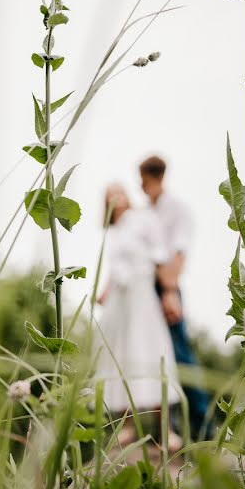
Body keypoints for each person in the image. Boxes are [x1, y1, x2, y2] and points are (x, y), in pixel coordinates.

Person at [95, 184, 184, 450]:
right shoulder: (113, 232)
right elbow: (115, 268)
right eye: (110, 194)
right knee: (121, 358)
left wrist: (169, 292)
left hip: (142, 296)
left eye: (120, 192)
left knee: (151, 353)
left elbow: (159, 257)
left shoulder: (144, 220)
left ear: (128, 197)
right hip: (119, 302)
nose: (117, 198)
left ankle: (165, 430)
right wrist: (105, 291)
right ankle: (128, 427)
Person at [139, 155, 211, 439]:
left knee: (180, 356)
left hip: (165, 287)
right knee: (154, 359)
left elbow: (179, 254)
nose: (142, 187)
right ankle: (166, 429)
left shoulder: (177, 210)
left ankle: (203, 425)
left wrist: (169, 292)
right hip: (144, 289)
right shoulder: (145, 211)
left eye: (145, 182)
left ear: (156, 179)